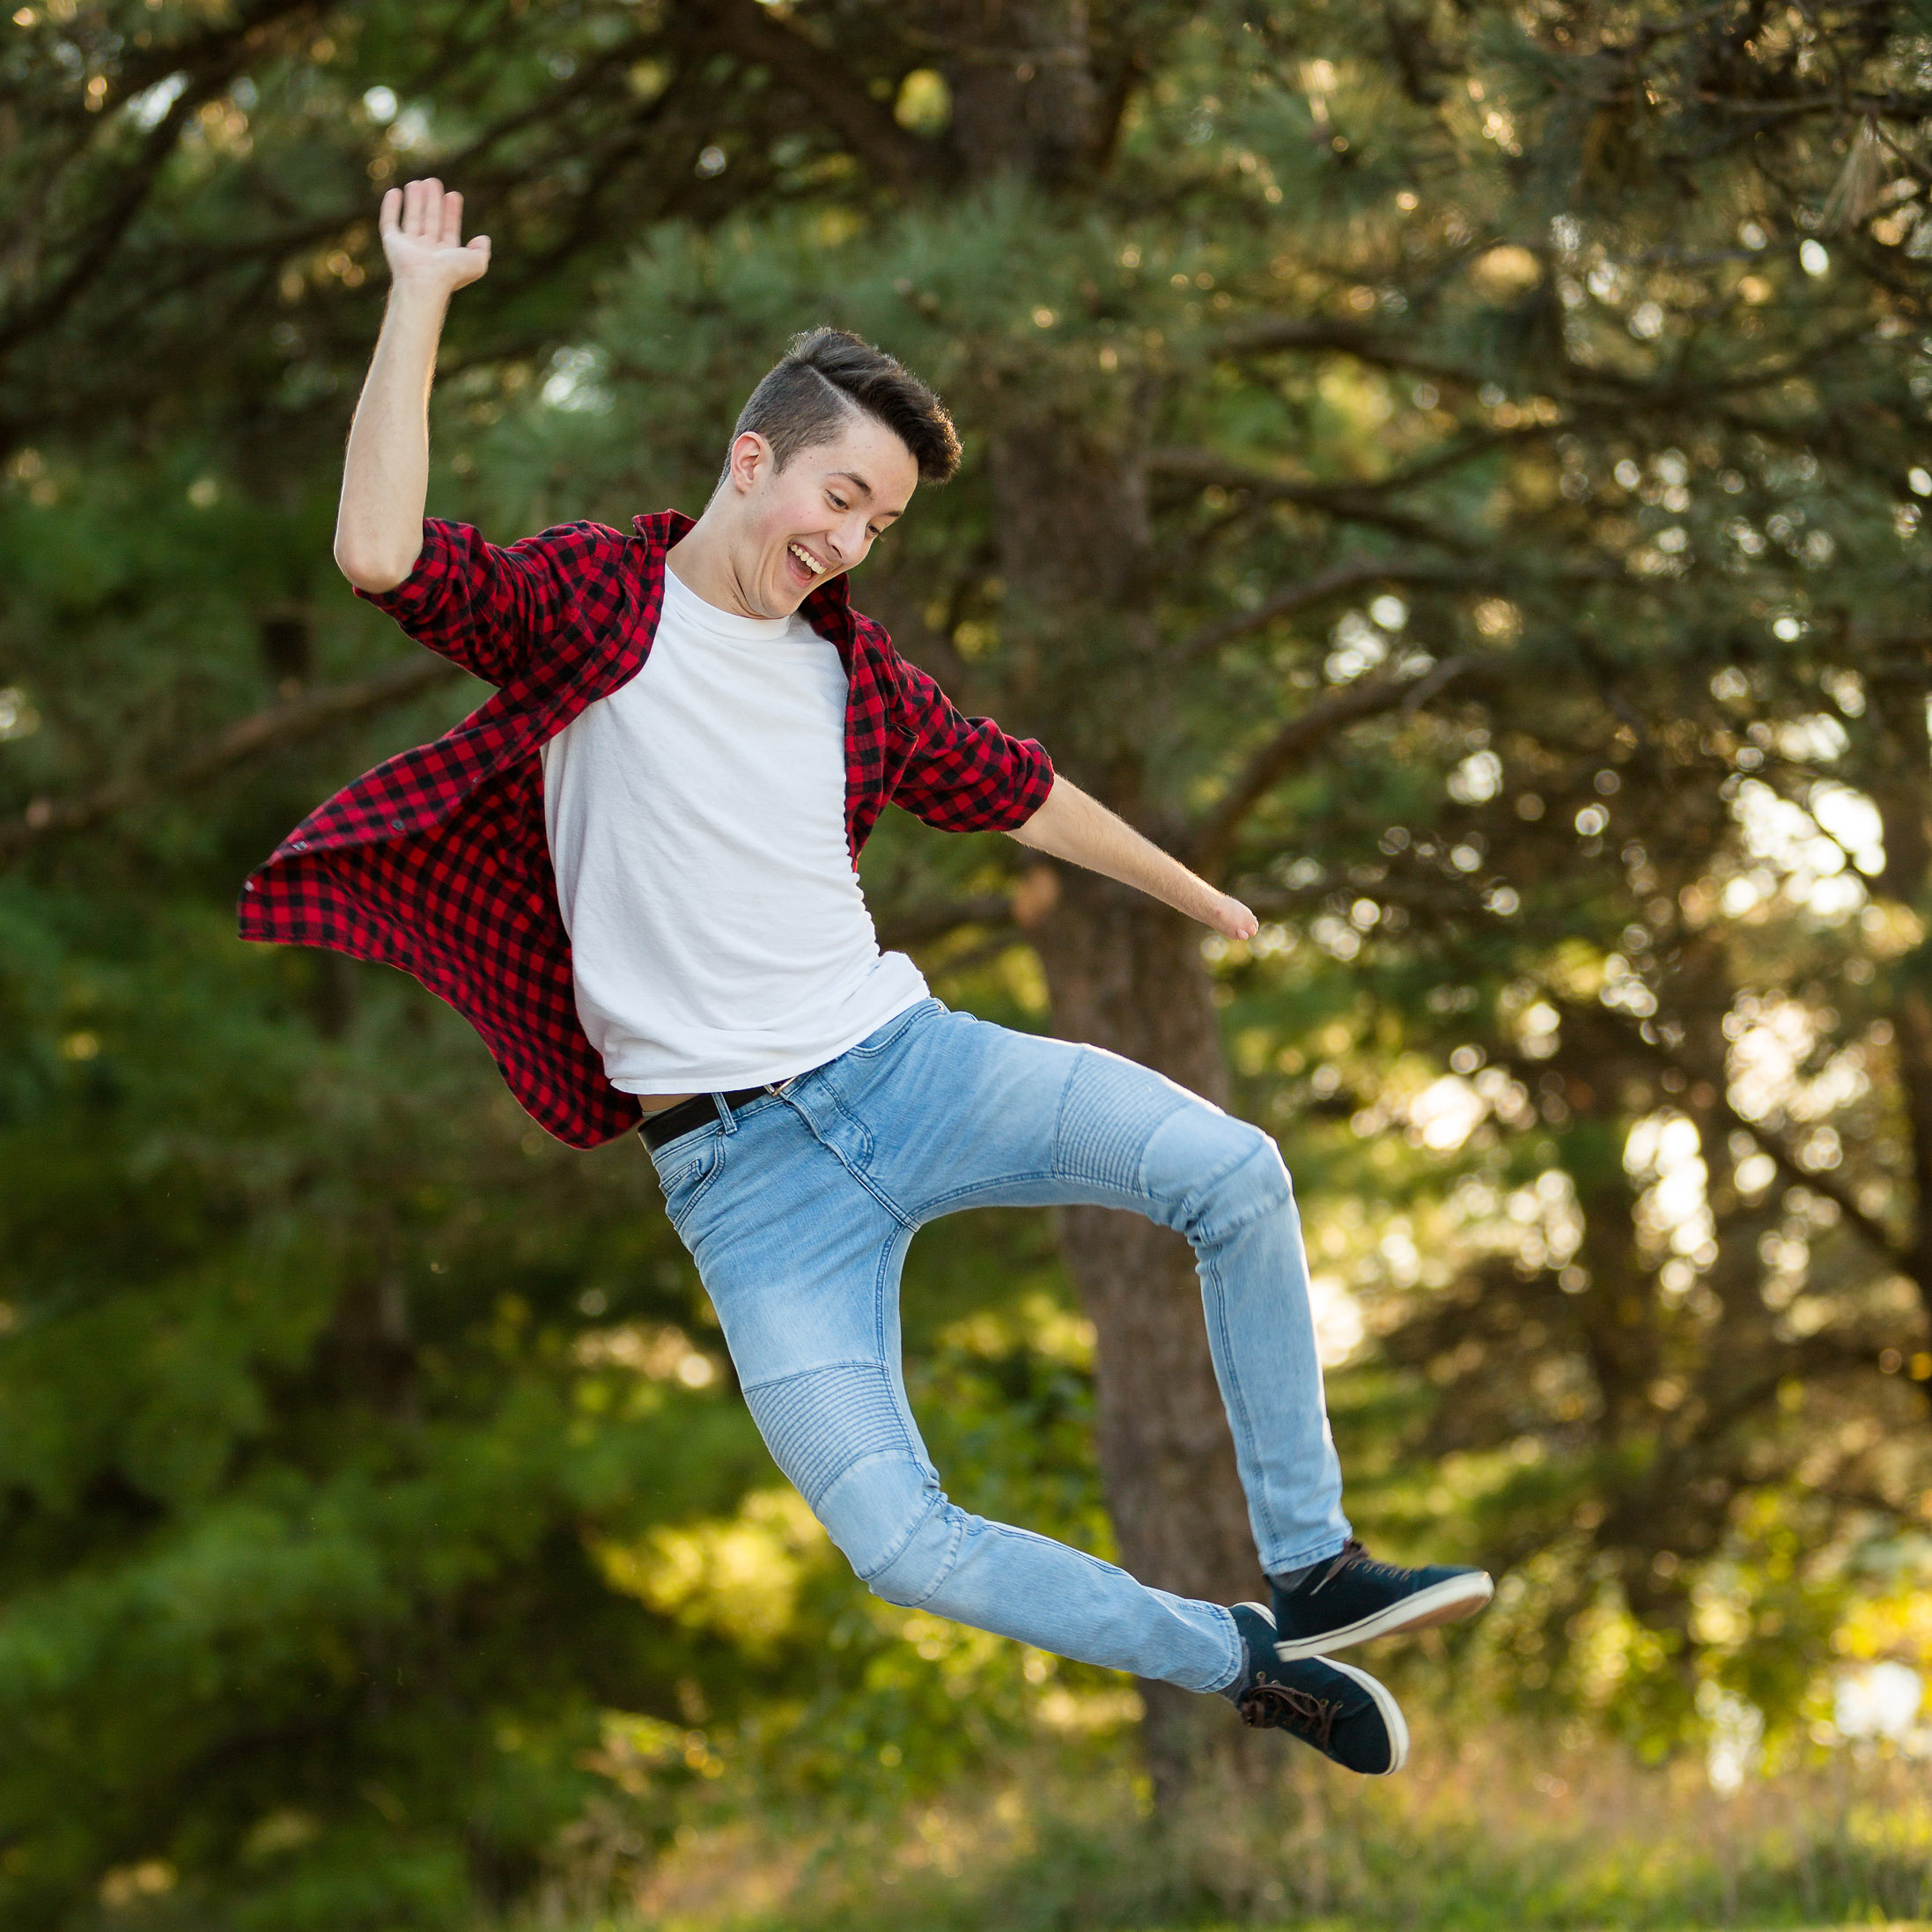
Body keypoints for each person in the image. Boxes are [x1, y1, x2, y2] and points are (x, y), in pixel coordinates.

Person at [241, 177, 1493, 1780]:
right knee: (895, 1541)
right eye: (834, 496)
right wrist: (417, 294)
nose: (841, 542)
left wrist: (1201, 898)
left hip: (914, 1068)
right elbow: (377, 551)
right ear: (749, 458)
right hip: (740, 1182)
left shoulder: (851, 670)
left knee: (1235, 1175)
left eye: (878, 525)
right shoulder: (586, 605)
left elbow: (1013, 783)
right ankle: (1240, 1662)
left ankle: (1314, 1567)